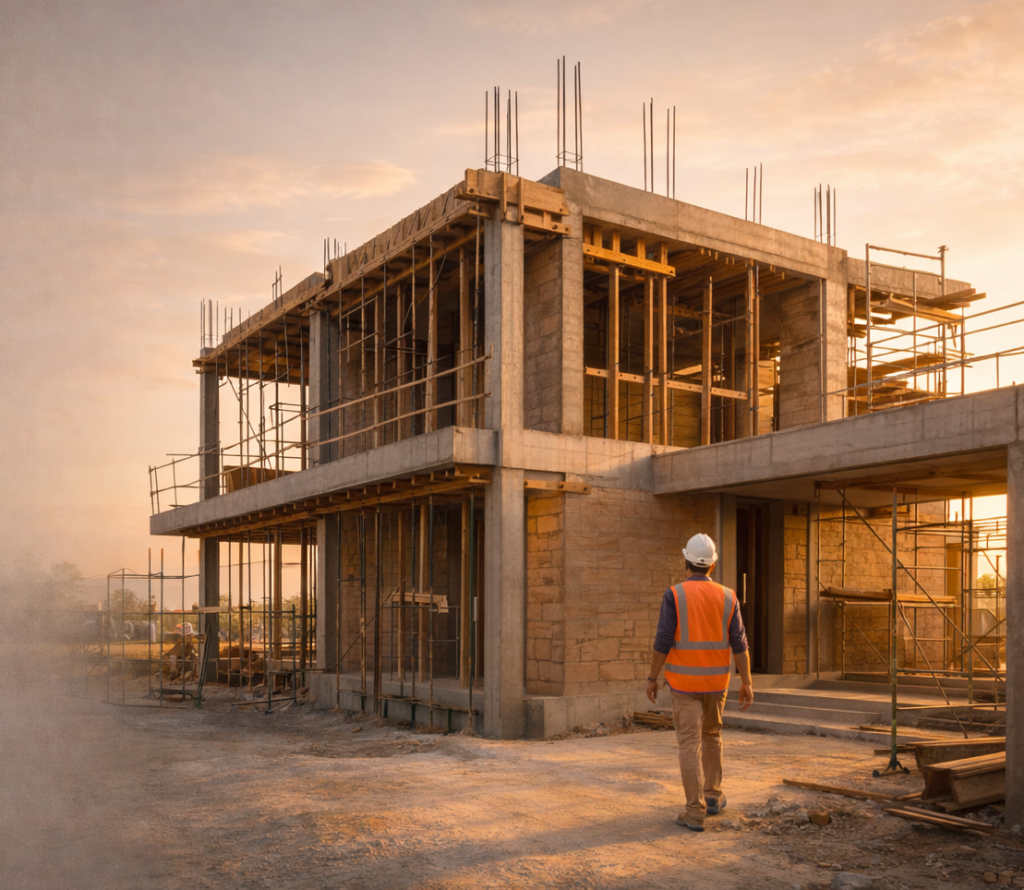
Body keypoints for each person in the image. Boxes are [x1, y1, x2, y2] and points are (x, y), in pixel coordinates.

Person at [645, 532, 754, 833]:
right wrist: (746, 681)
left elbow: (663, 641)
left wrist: (653, 677)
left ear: (686, 562)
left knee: (689, 745)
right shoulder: (729, 596)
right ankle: (713, 797)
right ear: (713, 565)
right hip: (716, 685)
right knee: (712, 736)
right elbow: (740, 643)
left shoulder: (675, 595)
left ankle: (695, 812)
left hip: (684, 686)